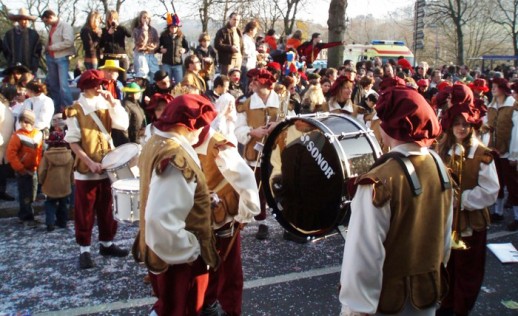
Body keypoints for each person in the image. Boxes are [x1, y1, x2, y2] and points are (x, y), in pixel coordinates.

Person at [339, 78, 453, 316]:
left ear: (389, 125)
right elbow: (444, 237)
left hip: (386, 303)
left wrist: (356, 308)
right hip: (426, 296)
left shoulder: (379, 180)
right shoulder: (438, 165)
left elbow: (364, 254)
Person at [133, 94, 220, 315]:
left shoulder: (156, 141)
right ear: (189, 126)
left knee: (167, 306)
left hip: (164, 252)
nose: (202, 132)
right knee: (179, 309)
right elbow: (160, 219)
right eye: (201, 126)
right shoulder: (174, 156)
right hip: (178, 261)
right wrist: (189, 250)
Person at [436, 83, 499, 316]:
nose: (461, 128)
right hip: (447, 220)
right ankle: (446, 303)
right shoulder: (444, 149)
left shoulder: (481, 154)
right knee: (447, 266)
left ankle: (461, 308)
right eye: (456, 124)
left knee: (468, 271)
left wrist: (461, 199)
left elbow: (491, 190)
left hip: (470, 222)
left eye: (465, 124)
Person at [63, 69, 130, 269]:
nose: (102, 87)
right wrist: (90, 162)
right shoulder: (75, 109)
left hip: (108, 165)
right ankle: (84, 250)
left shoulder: (105, 104)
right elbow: (73, 143)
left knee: (108, 207)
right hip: (86, 168)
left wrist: (113, 103)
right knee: (85, 211)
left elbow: (122, 124)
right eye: (99, 85)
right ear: (91, 86)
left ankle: (107, 244)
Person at [196, 126, 260, 316]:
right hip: (198, 214)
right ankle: (207, 302)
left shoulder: (217, 144)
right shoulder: (183, 140)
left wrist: (245, 213)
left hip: (223, 214)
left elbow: (245, 176)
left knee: (228, 266)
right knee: (205, 262)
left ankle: (231, 310)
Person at [235, 68, 280, 240]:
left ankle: (286, 221)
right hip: (255, 154)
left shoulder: (282, 101)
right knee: (257, 189)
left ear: (266, 83)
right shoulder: (245, 104)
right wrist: (253, 132)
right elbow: (238, 129)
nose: (252, 82)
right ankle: (263, 223)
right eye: (252, 79)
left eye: (256, 79)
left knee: (278, 187)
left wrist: (279, 125)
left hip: (278, 152)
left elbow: (294, 123)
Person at [486, 78, 518, 229]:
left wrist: (514, 154)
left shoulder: (513, 105)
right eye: (491, 86)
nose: (492, 89)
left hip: (508, 151)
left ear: (503, 89)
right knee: (497, 182)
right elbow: (487, 126)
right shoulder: (491, 105)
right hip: (494, 150)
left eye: (495, 87)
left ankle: (517, 217)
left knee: (513, 185)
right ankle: (498, 213)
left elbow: (515, 132)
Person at [6, 109, 43, 227]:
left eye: (26, 122)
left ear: (31, 122)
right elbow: (11, 154)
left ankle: (28, 214)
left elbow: (40, 152)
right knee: (25, 194)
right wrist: (20, 168)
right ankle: (26, 217)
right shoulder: (17, 136)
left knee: (32, 193)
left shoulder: (38, 134)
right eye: (21, 122)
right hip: (23, 170)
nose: (23, 124)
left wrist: (39, 166)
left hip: (34, 170)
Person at [38, 131, 74, 232]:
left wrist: (41, 182)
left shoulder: (47, 156)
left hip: (50, 186)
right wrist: (72, 182)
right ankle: (62, 222)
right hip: (64, 185)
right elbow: (72, 171)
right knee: (63, 204)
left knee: (50, 204)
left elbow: (42, 171)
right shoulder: (69, 156)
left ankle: (50, 223)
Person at [40, 10, 75, 112]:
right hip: (51, 57)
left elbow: (69, 42)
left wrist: (52, 47)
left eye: (47, 21)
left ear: (51, 17)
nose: (47, 24)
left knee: (63, 85)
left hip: (61, 57)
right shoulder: (52, 28)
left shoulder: (65, 26)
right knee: (53, 84)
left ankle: (69, 108)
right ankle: (57, 107)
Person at [3, 8, 42, 74]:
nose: (24, 21)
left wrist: (33, 67)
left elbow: (37, 52)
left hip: (30, 69)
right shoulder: (9, 34)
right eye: (22, 19)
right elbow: (6, 51)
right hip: (13, 69)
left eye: (26, 19)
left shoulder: (34, 34)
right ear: (18, 20)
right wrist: (12, 62)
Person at [99, 10, 132, 83]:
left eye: (114, 18)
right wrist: (108, 34)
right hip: (109, 58)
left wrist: (119, 26)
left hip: (121, 58)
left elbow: (129, 34)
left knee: (122, 80)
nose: (112, 21)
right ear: (108, 20)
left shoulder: (121, 29)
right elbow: (101, 44)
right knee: (108, 81)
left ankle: (121, 94)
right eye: (111, 19)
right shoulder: (104, 30)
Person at [159, 13, 189, 86]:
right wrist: (160, 50)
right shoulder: (164, 36)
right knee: (166, 83)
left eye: (175, 27)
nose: (173, 29)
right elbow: (157, 47)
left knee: (179, 83)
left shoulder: (181, 36)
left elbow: (187, 48)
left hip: (178, 64)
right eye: (172, 27)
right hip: (166, 63)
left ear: (177, 27)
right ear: (169, 27)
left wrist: (184, 50)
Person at [133, 11, 159, 83]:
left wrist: (154, 46)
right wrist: (144, 31)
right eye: (144, 17)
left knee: (154, 72)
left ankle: (152, 91)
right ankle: (141, 90)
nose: (146, 19)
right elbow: (140, 43)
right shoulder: (136, 30)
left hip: (151, 54)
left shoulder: (153, 30)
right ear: (140, 19)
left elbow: (157, 41)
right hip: (140, 54)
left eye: (148, 18)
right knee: (142, 72)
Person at [0, 96, 15, 201]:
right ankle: (2, 192)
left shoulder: (3, 109)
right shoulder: (6, 109)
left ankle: (1, 192)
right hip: (4, 145)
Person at [241, 21, 259, 90]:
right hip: (246, 65)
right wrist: (254, 53)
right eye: (255, 30)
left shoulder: (250, 39)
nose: (256, 32)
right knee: (245, 84)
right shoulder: (244, 39)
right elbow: (245, 52)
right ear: (251, 30)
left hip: (251, 66)